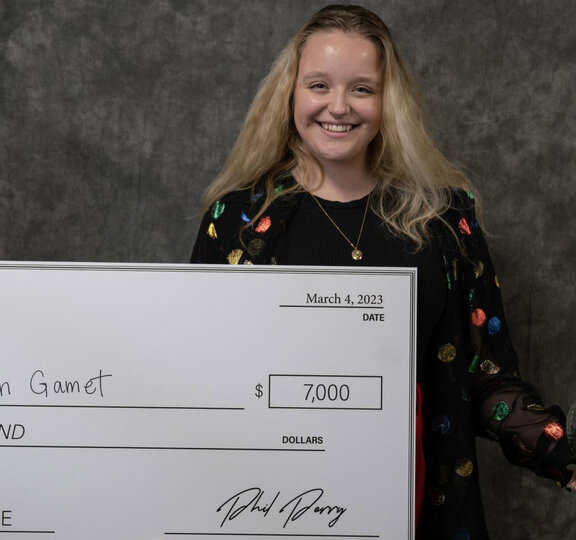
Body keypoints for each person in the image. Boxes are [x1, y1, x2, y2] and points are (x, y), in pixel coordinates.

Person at [190, 4, 575, 539]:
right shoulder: (236, 223)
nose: (338, 107)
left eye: (362, 89)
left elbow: (490, 385)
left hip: (419, 506)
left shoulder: (444, 220)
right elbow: (194, 379)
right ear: (291, 94)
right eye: (319, 85)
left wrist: (566, 458)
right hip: (267, 506)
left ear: (388, 100)